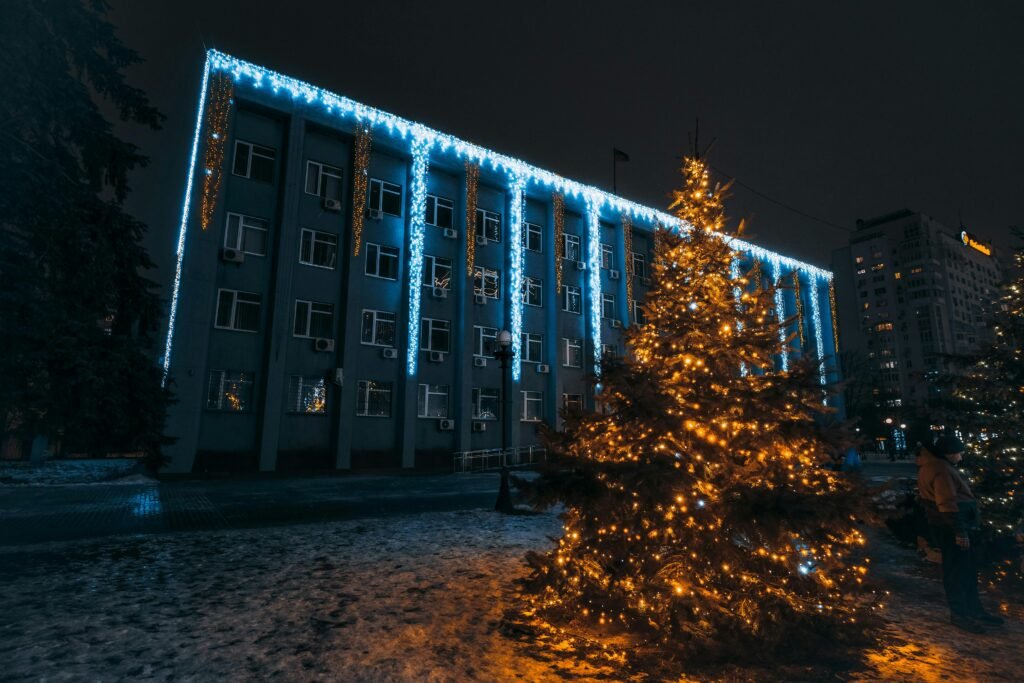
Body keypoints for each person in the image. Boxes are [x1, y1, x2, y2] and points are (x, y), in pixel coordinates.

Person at [917, 435, 1005, 633]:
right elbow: (947, 504)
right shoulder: (941, 469)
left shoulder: (936, 466)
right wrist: (960, 531)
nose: (962, 456)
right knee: (957, 571)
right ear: (949, 453)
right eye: (959, 452)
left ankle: (972, 610)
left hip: (950, 526)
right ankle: (961, 614)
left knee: (966, 569)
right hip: (952, 528)